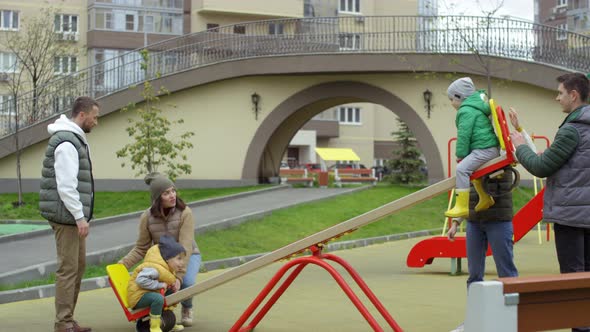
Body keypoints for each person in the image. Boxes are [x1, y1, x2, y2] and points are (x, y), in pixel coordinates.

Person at [510, 72, 590, 332]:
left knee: (572, 280)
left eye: (560, 93)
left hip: (571, 216)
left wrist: (519, 146)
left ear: (573, 95)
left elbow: (541, 167)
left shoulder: (572, 130)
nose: (557, 98)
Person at [39, 96, 100, 332]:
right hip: (66, 217)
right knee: (68, 269)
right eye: (94, 117)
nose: (96, 122)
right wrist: (79, 216)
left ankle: (68, 319)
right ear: (82, 115)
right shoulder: (67, 143)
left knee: (78, 266)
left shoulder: (74, 139)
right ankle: (63, 323)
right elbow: (66, 184)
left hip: (70, 216)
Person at [119, 173, 202, 327]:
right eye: (166, 193)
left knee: (186, 283)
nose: (172, 196)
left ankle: (187, 307)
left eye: (173, 191)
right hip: (163, 261)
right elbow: (141, 248)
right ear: (158, 198)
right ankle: (158, 313)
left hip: (188, 254)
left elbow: (185, 247)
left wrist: (178, 277)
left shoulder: (185, 213)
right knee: (151, 284)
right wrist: (122, 264)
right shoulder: (147, 217)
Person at [447, 166, 519, 332]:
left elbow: (498, 184)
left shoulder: (500, 160)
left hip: (499, 220)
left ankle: (511, 319)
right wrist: (457, 222)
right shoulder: (472, 163)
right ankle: (474, 319)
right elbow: (466, 194)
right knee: (474, 274)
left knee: (506, 272)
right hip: (474, 222)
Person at [445, 77, 500, 218]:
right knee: (475, 174)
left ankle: (462, 206)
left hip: (485, 149)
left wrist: (461, 154)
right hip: (489, 148)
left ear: (459, 97)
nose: (451, 103)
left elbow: (464, 135)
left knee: (462, 169)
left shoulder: (466, 111)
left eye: (451, 99)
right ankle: (485, 198)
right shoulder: (476, 108)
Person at [127, 235, 186, 332]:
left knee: (172, 293)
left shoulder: (167, 268)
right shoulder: (154, 268)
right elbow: (140, 280)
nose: (182, 263)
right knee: (157, 299)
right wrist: (160, 285)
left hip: (149, 292)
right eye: (179, 259)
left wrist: (170, 286)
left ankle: (169, 321)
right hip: (138, 296)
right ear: (168, 259)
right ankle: (154, 327)